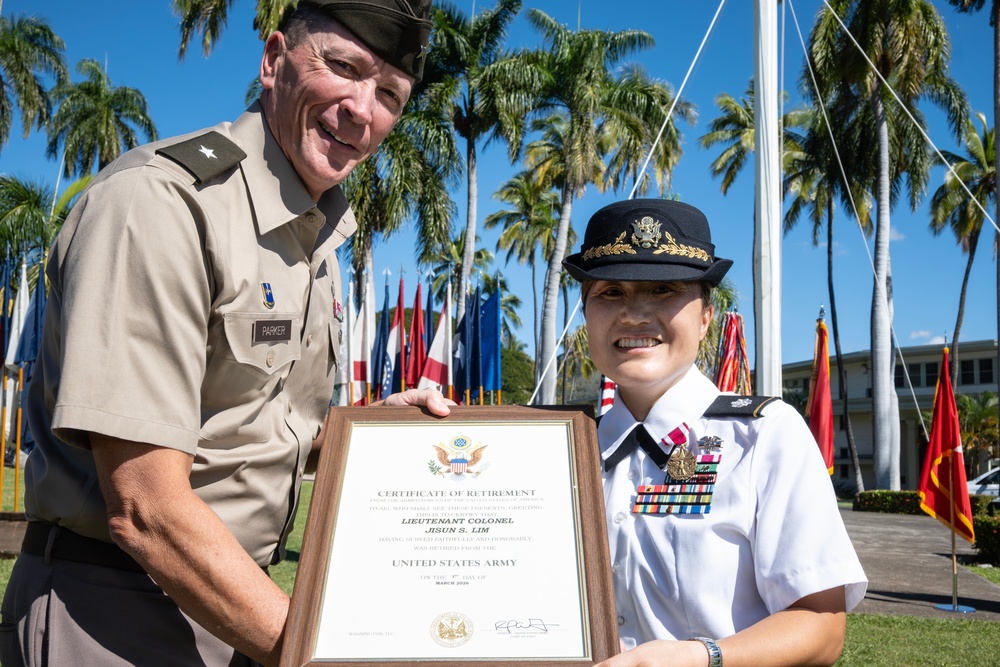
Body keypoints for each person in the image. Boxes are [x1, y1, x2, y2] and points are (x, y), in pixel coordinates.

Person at [0, 2, 451, 666]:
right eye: (345, 68)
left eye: (389, 94)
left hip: (235, 607)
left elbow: (249, 423)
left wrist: (362, 428)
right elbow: (145, 505)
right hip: (112, 608)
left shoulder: (313, 235)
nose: (362, 109)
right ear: (273, 61)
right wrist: (318, 649)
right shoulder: (164, 205)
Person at [562, 199, 867, 667]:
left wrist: (700, 657)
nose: (634, 313)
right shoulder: (561, 449)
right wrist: (412, 424)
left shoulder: (763, 437)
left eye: (663, 288)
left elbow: (822, 627)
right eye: (610, 292)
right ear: (586, 314)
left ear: (706, 317)